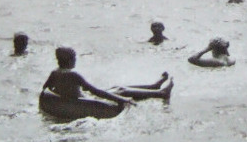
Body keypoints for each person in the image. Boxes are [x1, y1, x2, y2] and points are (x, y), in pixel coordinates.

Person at [39, 46, 172, 119]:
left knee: (117, 87)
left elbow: (45, 89)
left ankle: (153, 87)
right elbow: (96, 91)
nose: (75, 60)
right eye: (74, 58)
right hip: (84, 102)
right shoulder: (73, 75)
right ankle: (161, 93)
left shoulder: (54, 72)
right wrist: (122, 100)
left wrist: (61, 98)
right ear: (69, 61)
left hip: (77, 100)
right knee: (121, 91)